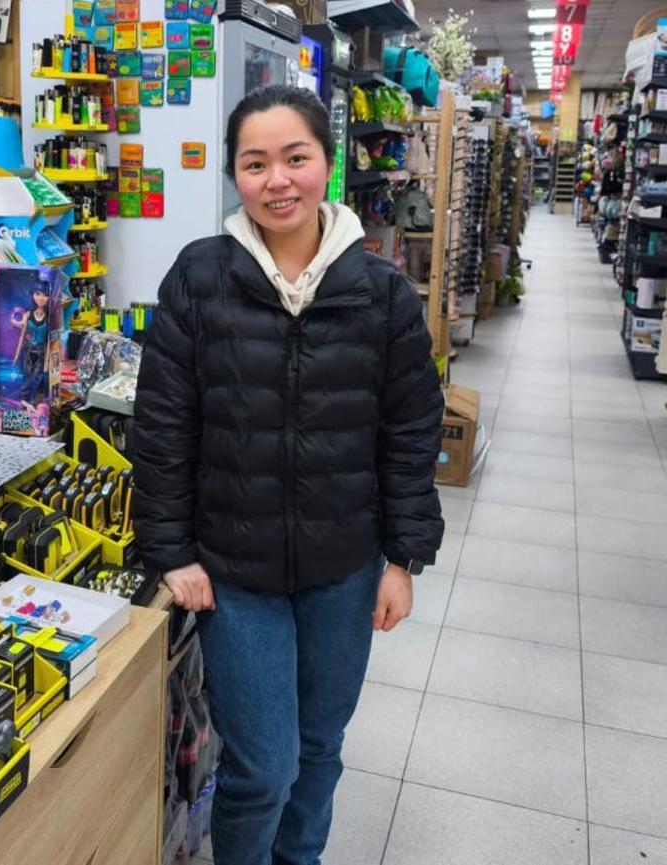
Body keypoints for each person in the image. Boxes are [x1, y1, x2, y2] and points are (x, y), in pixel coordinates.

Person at [133, 85, 445, 865]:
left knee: (320, 749)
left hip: (344, 567)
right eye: (255, 162)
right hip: (236, 572)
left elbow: (410, 433)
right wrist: (172, 550)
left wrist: (404, 559)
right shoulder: (200, 279)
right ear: (236, 177)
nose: (278, 180)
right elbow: (163, 426)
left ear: (326, 166)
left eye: (295, 158)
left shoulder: (382, 294)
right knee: (262, 768)